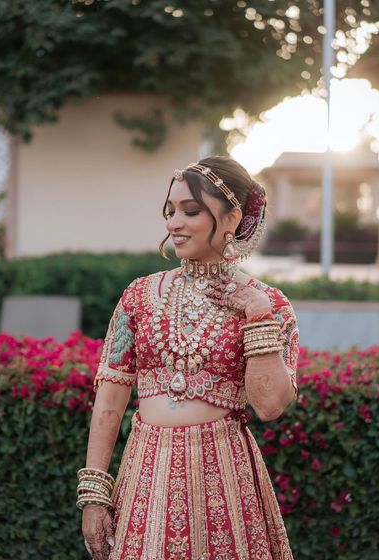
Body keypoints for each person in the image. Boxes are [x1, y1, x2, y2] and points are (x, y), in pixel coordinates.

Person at [76, 155, 299, 560]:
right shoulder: (139, 296)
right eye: (170, 211)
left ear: (231, 218)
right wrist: (94, 493)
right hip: (145, 475)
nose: (173, 223)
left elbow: (269, 406)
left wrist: (257, 316)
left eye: (190, 211)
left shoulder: (270, 305)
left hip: (224, 479)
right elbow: (109, 403)